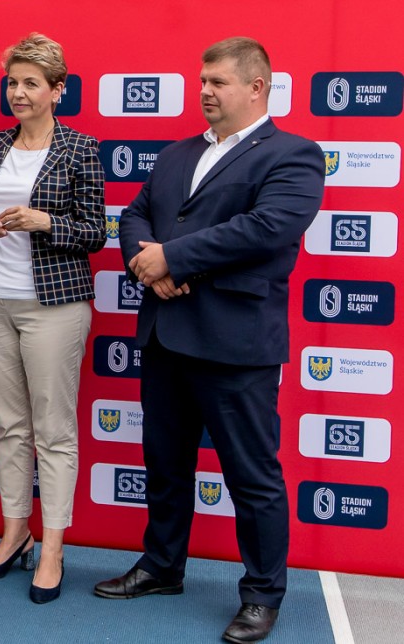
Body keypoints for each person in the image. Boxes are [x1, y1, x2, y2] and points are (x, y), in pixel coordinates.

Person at [93, 37, 324, 643]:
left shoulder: (295, 155)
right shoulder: (177, 153)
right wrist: (150, 264)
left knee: (252, 477)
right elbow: (136, 214)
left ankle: (262, 595)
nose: (204, 91)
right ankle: (162, 566)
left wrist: (172, 258)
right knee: (165, 466)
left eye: (218, 82)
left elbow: (266, 228)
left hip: (235, 346)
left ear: (257, 87)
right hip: (166, 336)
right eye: (202, 81)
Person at [0, 34, 105, 603]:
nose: (18, 93)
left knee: (54, 432)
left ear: (57, 89)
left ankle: (52, 549)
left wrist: (46, 222)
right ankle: (15, 532)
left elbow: (95, 232)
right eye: (12, 83)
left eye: (30, 84)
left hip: (54, 307)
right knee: (10, 426)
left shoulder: (80, 148)